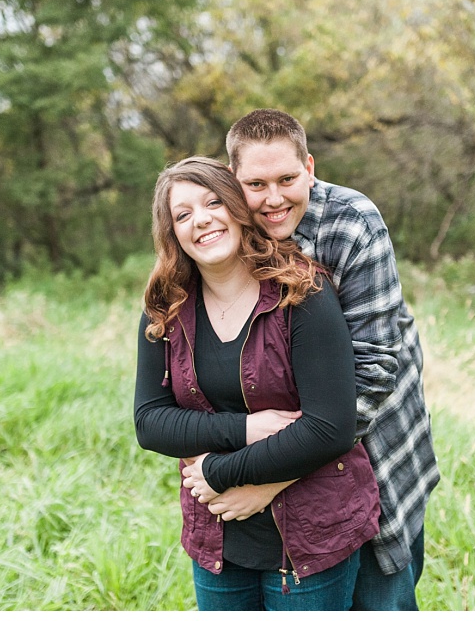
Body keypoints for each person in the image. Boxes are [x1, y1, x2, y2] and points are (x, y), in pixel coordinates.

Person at [133, 156, 381, 611]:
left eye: (213, 202)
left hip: (312, 536)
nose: (201, 219)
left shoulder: (302, 293)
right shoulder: (165, 310)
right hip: (218, 539)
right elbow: (150, 422)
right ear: (173, 234)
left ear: (237, 207)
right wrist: (245, 430)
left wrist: (219, 471)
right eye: (183, 214)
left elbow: (331, 428)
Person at [222, 108, 441, 611]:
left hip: (375, 438)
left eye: (287, 179)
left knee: (382, 589)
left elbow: (375, 368)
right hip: (284, 444)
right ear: (235, 181)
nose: (274, 199)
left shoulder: (353, 221)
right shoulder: (227, 230)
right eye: (256, 184)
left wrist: (271, 476)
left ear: (310, 167)